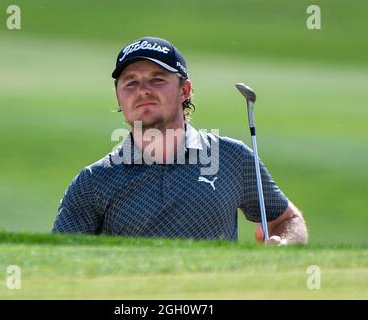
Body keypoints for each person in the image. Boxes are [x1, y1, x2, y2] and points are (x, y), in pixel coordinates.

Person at [52, 36, 308, 245]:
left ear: (184, 91)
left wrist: (283, 244)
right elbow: (61, 264)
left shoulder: (232, 158)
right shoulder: (93, 182)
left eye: (157, 79)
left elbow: (288, 220)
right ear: (119, 98)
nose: (143, 90)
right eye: (130, 82)